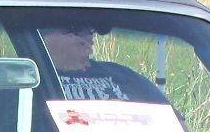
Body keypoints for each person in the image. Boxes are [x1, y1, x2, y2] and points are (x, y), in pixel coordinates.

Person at [40, 25, 170, 104]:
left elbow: (174, 123)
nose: (88, 36)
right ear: (41, 36)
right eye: (75, 29)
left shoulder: (123, 75)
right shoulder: (34, 80)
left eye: (90, 29)